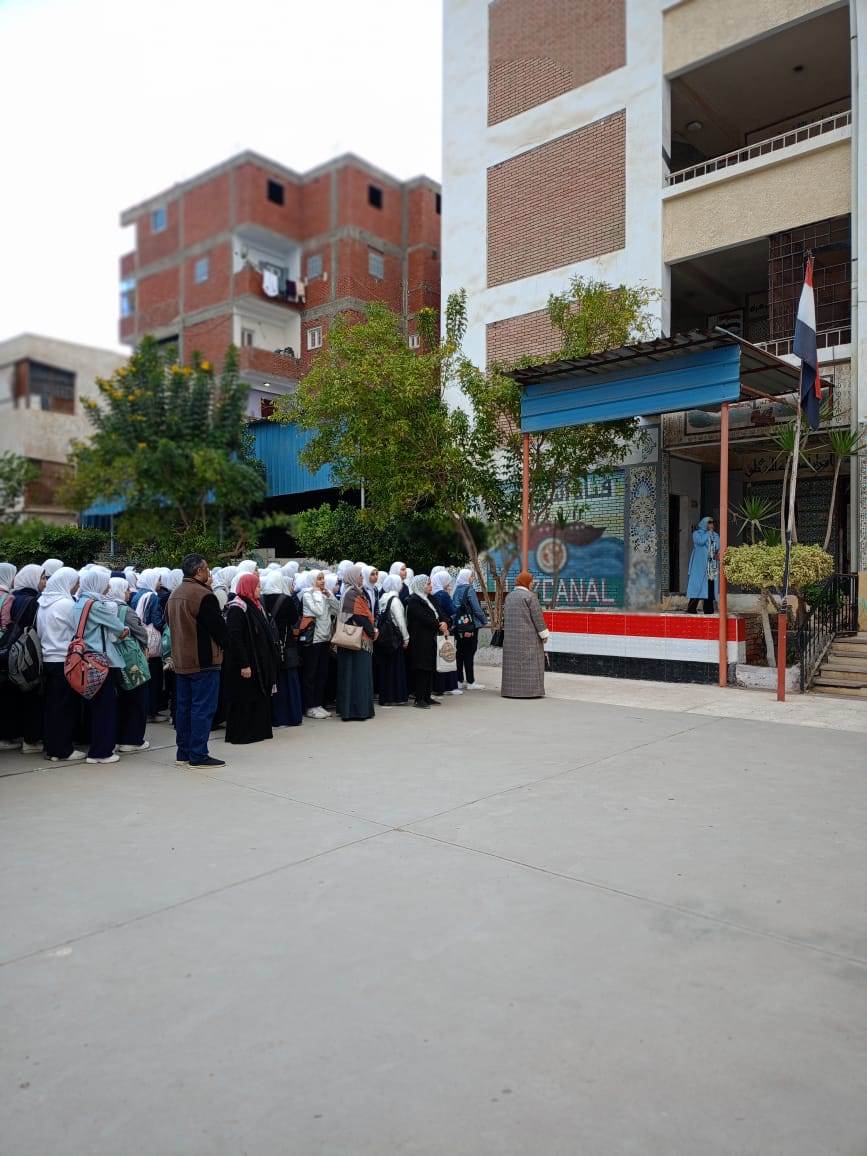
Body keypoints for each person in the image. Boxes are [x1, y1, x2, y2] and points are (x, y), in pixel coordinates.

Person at [166, 554, 227, 768]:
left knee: (184, 708)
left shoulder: (175, 594)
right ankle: (198, 754)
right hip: (203, 660)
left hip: (182, 660)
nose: (209, 572)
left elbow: (169, 623)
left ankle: (184, 752)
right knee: (202, 708)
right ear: (199, 571)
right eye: (207, 568)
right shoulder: (203, 595)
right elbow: (219, 630)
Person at [72, 567, 133, 763]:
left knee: (95, 707)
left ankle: (97, 747)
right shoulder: (96, 605)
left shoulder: (80, 602)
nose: (108, 587)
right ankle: (101, 752)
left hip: (85, 658)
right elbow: (119, 629)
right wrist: (124, 630)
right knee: (105, 707)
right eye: (105, 583)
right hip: (100, 661)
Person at [224, 572, 278, 745]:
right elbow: (235, 638)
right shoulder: (238, 608)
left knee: (257, 696)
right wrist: (244, 664)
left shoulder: (255, 605)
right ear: (249, 587)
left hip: (257, 660)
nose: (259, 589)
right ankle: (243, 734)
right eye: (257, 586)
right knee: (245, 698)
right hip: (246, 662)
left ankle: (257, 731)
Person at [36, 566, 85, 762]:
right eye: (75, 582)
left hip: (48, 658)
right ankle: (62, 750)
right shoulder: (66, 603)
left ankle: (52, 747)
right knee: (65, 706)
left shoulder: (43, 602)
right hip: (65, 660)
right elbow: (78, 630)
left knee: (52, 706)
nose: (77, 586)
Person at [106, 577, 151, 754]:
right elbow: (141, 633)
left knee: (121, 700)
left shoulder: (103, 607)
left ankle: (119, 737)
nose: (128, 593)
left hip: (111, 659)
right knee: (137, 698)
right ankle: (132, 739)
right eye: (125, 590)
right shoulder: (125, 610)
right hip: (130, 660)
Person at [6, 564, 47, 754]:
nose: (45, 582)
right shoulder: (34, 600)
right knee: (32, 695)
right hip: (28, 654)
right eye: (42, 578)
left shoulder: (11, 596)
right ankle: (31, 740)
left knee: (14, 696)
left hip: (12, 652)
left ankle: (16, 734)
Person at [262, 570, 303, 728]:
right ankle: (290, 716)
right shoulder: (286, 599)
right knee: (289, 681)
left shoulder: (262, 598)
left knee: (274, 681)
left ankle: (275, 717)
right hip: (286, 644)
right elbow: (294, 620)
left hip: (269, 645)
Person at [335, 563, 376, 721]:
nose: (361, 577)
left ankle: (352, 710)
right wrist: (372, 631)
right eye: (359, 575)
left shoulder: (352, 591)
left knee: (352, 675)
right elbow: (359, 616)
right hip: (357, 640)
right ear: (352, 576)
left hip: (354, 640)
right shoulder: (352, 593)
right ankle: (357, 711)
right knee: (358, 676)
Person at [501, 571, 549, 699]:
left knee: (512, 665)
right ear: (526, 582)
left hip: (511, 638)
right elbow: (538, 618)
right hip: (529, 638)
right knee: (531, 664)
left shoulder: (509, 597)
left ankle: (510, 690)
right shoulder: (530, 597)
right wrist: (544, 634)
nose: (532, 584)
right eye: (531, 581)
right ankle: (530, 691)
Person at [406, 573, 448, 709]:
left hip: (431, 638)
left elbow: (441, 612)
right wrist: (439, 625)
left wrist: (445, 622)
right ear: (420, 585)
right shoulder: (413, 600)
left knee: (429, 667)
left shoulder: (430, 598)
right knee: (421, 668)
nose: (431, 586)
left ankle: (427, 696)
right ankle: (419, 699)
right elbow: (423, 617)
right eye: (428, 584)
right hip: (420, 640)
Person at [301, 570, 336, 719]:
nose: (322, 581)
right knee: (311, 674)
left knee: (322, 673)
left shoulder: (322, 595)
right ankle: (310, 706)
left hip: (325, 638)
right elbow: (319, 611)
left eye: (323, 578)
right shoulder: (308, 595)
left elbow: (337, 609)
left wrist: (330, 596)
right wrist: (317, 593)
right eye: (319, 579)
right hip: (314, 639)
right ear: (312, 580)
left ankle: (318, 703)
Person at [452, 567, 488, 691]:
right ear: (466, 578)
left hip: (459, 626)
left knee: (460, 653)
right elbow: (476, 609)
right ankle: (471, 681)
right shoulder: (469, 590)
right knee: (469, 652)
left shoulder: (456, 589)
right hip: (470, 626)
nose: (473, 578)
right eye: (471, 576)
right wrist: (484, 620)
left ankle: (459, 680)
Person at [376, 574, 409, 707]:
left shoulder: (382, 598)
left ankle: (386, 697)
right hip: (394, 638)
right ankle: (396, 696)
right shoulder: (395, 600)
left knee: (386, 668)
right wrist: (406, 638)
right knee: (396, 668)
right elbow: (400, 621)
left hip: (384, 638)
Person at [430, 570, 462, 696]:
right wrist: (449, 595)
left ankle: (438, 686)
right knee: (447, 655)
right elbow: (453, 610)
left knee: (438, 657)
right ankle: (449, 686)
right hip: (446, 628)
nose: (449, 583)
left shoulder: (432, 594)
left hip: (436, 628)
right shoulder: (443, 594)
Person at [686, 516, 721, 614]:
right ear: (704, 523)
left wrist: (712, 537)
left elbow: (717, 547)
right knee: (697, 585)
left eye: (712, 522)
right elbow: (700, 542)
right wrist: (708, 533)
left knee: (710, 586)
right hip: (699, 564)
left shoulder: (715, 535)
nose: (711, 524)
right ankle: (691, 608)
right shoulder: (696, 534)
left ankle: (708, 609)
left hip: (711, 564)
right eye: (709, 522)